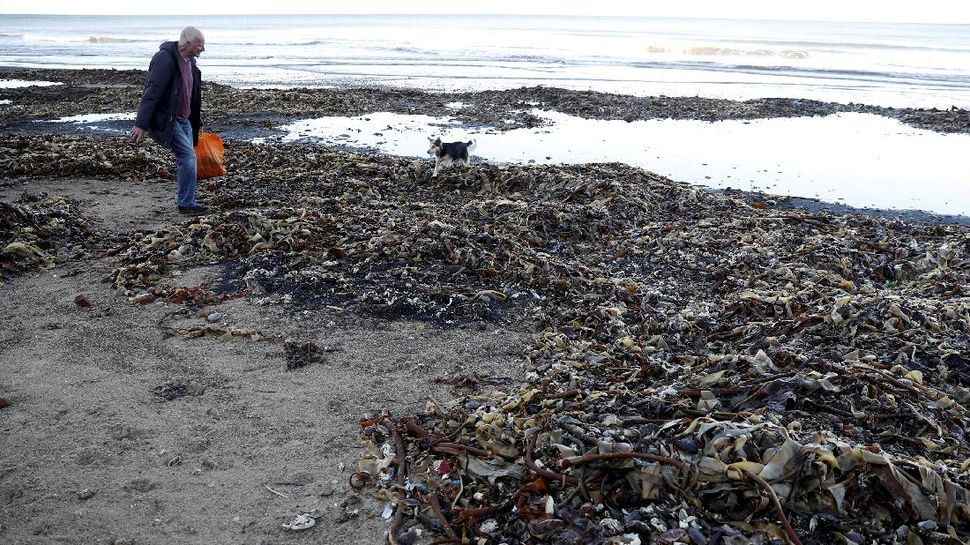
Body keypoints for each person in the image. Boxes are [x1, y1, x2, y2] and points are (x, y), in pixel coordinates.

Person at [129, 27, 208, 214]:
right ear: (188, 43)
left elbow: (191, 95)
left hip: (185, 120)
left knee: (187, 159)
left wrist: (198, 121)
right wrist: (141, 124)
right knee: (188, 158)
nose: (202, 49)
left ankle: (185, 201)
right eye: (200, 45)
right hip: (169, 119)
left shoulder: (191, 63)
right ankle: (187, 204)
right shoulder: (164, 59)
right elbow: (152, 92)